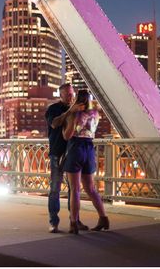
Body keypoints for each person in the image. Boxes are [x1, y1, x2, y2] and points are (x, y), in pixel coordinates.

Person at [62, 89, 109, 234]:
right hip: (89, 149)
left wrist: (71, 115)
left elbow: (67, 136)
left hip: (76, 148)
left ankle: (74, 223)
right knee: (91, 188)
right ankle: (103, 218)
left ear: (77, 99)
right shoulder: (95, 114)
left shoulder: (75, 114)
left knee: (75, 189)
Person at [45, 83, 88, 233]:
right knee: (55, 188)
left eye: (72, 94)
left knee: (74, 190)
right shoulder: (53, 109)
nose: (71, 97)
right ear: (60, 95)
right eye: (67, 94)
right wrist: (71, 111)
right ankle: (53, 222)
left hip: (73, 153)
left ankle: (74, 220)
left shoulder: (77, 109)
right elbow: (55, 123)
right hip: (57, 153)